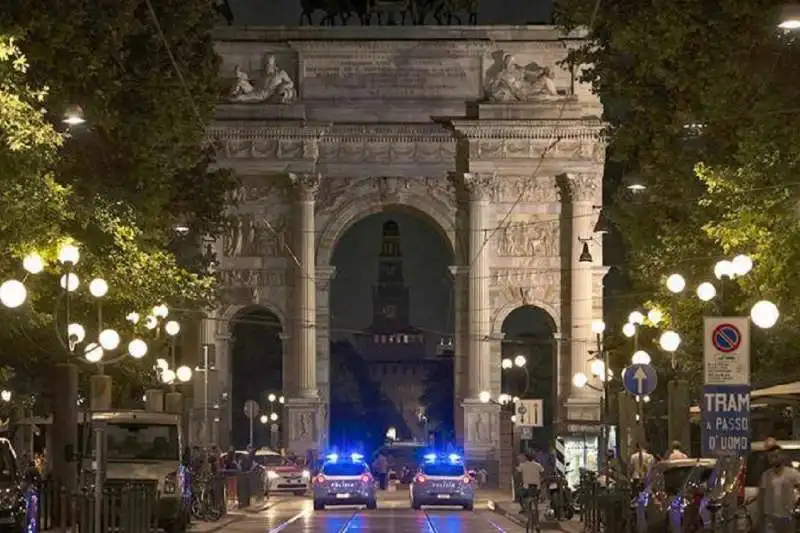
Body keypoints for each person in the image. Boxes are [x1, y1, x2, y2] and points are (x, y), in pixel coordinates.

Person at [757, 446, 800, 533]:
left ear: (782, 456)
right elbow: (761, 496)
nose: (773, 459)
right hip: (770, 516)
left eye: (776, 456)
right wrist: (761, 516)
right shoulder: (766, 475)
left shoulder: (792, 473)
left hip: (788, 515)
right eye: (771, 457)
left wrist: (797, 504)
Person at [516, 452, 545, 517]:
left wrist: (520, 482)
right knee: (536, 502)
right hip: (536, 488)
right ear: (534, 458)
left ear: (526, 458)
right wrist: (540, 481)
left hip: (526, 488)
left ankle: (523, 508)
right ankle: (537, 523)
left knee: (519, 494)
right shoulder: (538, 465)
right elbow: (543, 474)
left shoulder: (522, 465)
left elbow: (518, 475)